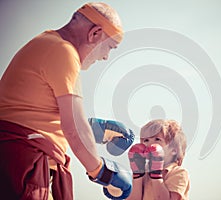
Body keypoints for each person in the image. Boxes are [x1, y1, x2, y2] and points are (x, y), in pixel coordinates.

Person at [0, 2, 134, 200]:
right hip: (24, 166)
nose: (106, 57)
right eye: (110, 47)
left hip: (14, 160)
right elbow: (74, 130)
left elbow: (35, 111)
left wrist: (95, 130)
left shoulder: (45, 42)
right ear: (95, 33)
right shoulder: (64, 52)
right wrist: (103, 173)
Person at [127, 119, 190, 200]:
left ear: (173, 150)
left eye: (157, 139)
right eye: (146, 140)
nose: (149, 144)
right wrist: (137, 175)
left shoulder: (178, 173)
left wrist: (156, 174)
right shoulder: (144, 174)